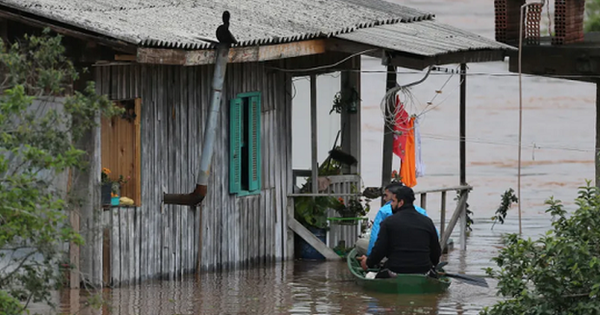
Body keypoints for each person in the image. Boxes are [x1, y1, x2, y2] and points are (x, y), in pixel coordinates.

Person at [358, 185, 441, 275]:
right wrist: (432, 265)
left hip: (395, 270)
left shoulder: (388, 222)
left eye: (393, 201)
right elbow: (436, 252)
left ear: (401, 202)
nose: (391, 205)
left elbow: (379, 250)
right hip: (423, 270)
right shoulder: (427, 222)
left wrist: (368, 262)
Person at [355, 182, 431, 256]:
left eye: (386, 195)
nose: (384, 199)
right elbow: (434, 236)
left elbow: (375, 237)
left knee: (360, 243)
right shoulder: (422, 212)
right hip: (421, 256)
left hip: (394, 256)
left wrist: (370, 258)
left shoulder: (384, 212)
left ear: (395, 197)